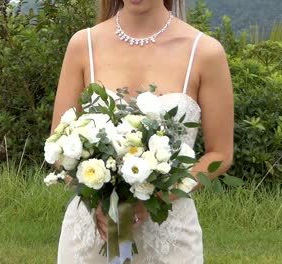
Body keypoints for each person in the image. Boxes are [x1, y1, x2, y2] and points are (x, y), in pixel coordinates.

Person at [51, 0, 234, 263]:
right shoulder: (83, 45)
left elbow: (220, 153)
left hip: (169, 237)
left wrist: (159, 195)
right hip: (92, 233)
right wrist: (94, 199)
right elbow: (58, 143)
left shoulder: (205, 52)